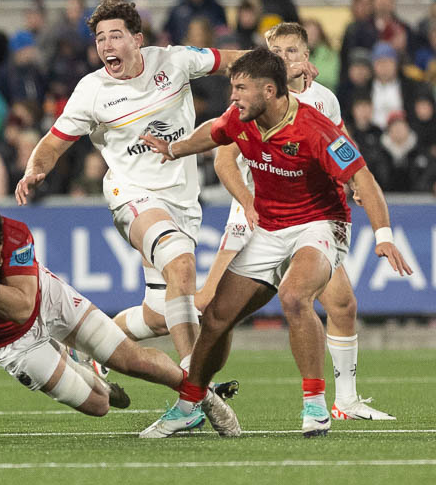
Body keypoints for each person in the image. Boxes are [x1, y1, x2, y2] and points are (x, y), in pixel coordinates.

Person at [138, 47, 411, 438]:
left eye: (241, 88)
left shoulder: (315, 129)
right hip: (269, 228)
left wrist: (383, 236)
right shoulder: (240, 117)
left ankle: (316, 406)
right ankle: (189, 405)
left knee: (294, 296)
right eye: (232, 87)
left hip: (320, 224)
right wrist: (175, 148)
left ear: (269, 90)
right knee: (216, 318)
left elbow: (363, 178)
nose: (233, 96)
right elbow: (214, 132)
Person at [13, 0, 250, 433]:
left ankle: (87, 349)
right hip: (131, 195)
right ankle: (195, 392)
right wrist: (35, 168)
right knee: (180, 262)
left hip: (181, 199)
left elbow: (234, 61)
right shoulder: (91, 90)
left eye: (116, 35)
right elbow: (53, 141)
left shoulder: (175, 62)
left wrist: (281, 65)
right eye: (100, 38)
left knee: (160, 313)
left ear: (138, 40)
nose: (107, 44)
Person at [198, 23, 393, 420]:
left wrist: (352, 183)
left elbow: (340, 150)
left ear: (306, 59)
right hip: (253, 217)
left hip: (308, 219)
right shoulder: (250, 98)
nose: (284, 58)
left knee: (341, 303)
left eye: (292, 51)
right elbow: (223, 157)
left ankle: (344, 401)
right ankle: (181, 381)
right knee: (208, 307)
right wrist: (247, 202)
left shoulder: (325, 101)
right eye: (277, 51)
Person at [0, 202, 239, 424]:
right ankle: (83, 372)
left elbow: (22, 308)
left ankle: (204, 396)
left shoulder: (15, 234)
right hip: (10, 343)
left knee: (132, 360)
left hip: (46, 298)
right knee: (99, 405)